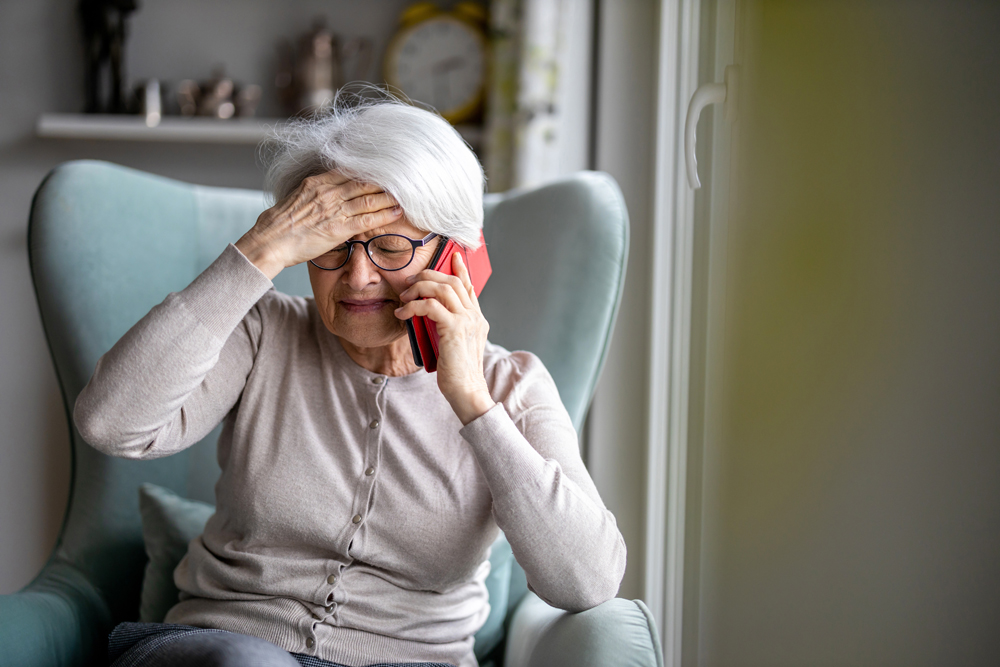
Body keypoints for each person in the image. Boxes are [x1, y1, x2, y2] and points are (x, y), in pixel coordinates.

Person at [74, 90, 626, 667]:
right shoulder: (263, 332)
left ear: (456, 258)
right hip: (224, 650)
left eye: (390, 248)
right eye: (330, 249)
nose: (357, 277)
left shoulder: (513, 387)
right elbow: (110, 424)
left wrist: (473, 404)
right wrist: (261, 248)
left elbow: (585, 582)